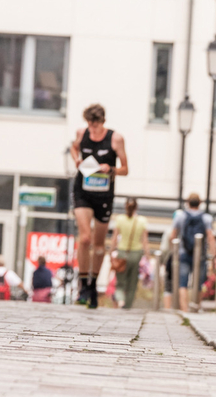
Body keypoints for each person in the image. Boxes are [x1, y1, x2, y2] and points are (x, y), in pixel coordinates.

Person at [69, 104, 128, 308]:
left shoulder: (115, 139)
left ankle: (93, 284)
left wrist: (110, 168)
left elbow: (125, 169)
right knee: (85, 238)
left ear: (103, 122)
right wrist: (77, 159)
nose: (92, 131)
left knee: (99, 245)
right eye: (89, 126)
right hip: (83, 191)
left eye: (96, 127)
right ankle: (83, 285)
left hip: (103, 194)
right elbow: (73, 147)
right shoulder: (81, 133)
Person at [170, 193, 216, 311]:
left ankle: (185, 309)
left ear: (187, 202)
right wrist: (214, 256)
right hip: (200, 254)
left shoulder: (180, 216)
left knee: (182, 282)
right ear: (200, 203)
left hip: (183, 252)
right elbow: (211, 237)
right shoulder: (206, 218)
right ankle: (196, 307)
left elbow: (173, 235)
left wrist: (173, 251)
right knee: (199, 282)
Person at [110, 197, 149, 309]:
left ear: (125, 206)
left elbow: (114, 238)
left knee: (120, 282)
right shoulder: (142, 221)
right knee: (132, 283)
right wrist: (147, 256)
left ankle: (121, 300)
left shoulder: (120, 219)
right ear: (136, 207)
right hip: (136, 254)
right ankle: (128, 305)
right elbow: (145, 241)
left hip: (122, 253)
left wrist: (111, 252)